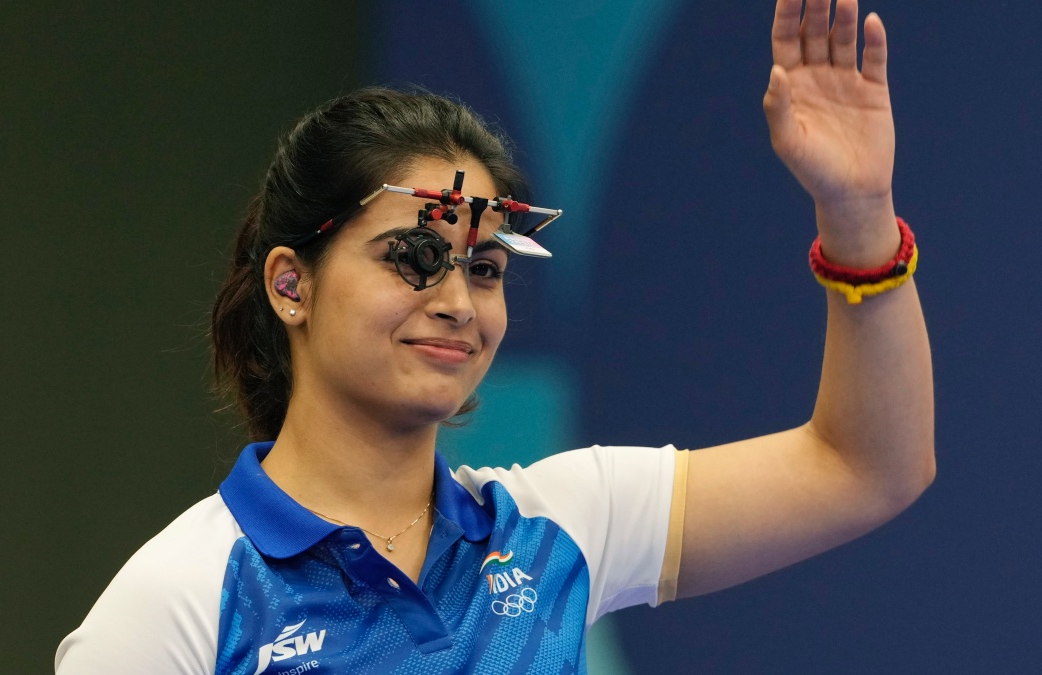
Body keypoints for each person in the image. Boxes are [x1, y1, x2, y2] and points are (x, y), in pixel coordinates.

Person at [55, 0, 934, 672]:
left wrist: (857, 212)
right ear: (292, 284)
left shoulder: (561, 527)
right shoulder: (179, 599)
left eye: (485, 269)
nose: (458, 302)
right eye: (413, 256)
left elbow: (866, 465)